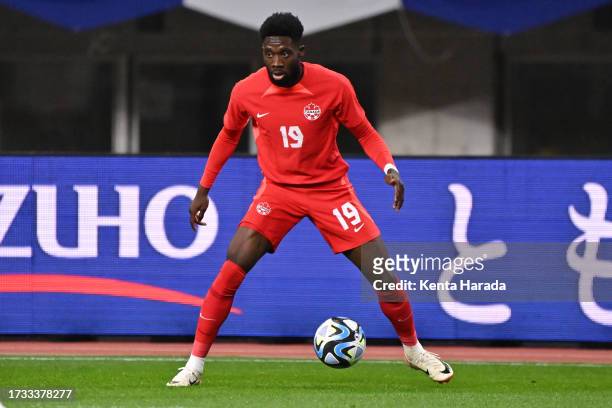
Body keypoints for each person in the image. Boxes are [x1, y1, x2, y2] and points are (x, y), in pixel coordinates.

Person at [167, 12, 453, 386]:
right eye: (269, 53)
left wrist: (389, 169)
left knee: (384, 275)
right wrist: (203, 189)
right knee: (230, 271)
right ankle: (194, 366)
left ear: (300, 51)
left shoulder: (333, 86)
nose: (276, 62)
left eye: (284, 53)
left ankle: (414, 351)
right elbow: (227, 136)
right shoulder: (246, 91)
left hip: (330, 191)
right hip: (278, 192)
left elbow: (364, 132)